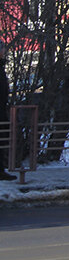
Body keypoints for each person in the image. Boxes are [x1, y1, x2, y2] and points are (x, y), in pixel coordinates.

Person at [0, 41, 14, 181]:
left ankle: (1, 169)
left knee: (2, 140)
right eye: (3, 49)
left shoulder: (1, 66)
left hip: (2, 109)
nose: (4, 51)